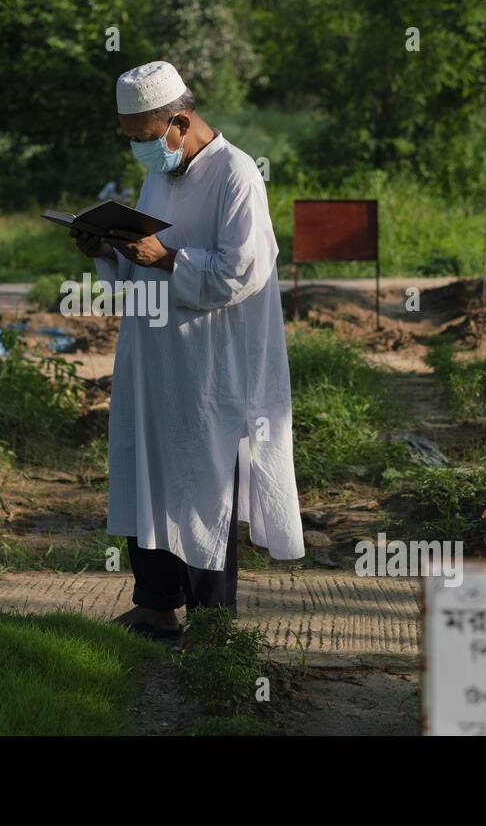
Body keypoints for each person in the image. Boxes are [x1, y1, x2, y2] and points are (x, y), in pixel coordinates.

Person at [70, 60, 303, 641]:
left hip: (212, 363)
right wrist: (105, 250)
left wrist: (169, 259)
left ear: (178, 120)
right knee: (147, 469)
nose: (141, 153)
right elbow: (141, 260)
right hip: (154, 358)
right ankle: (155, 605)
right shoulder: (162, 176)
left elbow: (243, 272)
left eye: (145, 139)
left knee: (204, 481)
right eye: (131, 140)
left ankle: (211, 620)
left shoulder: (236, 174)